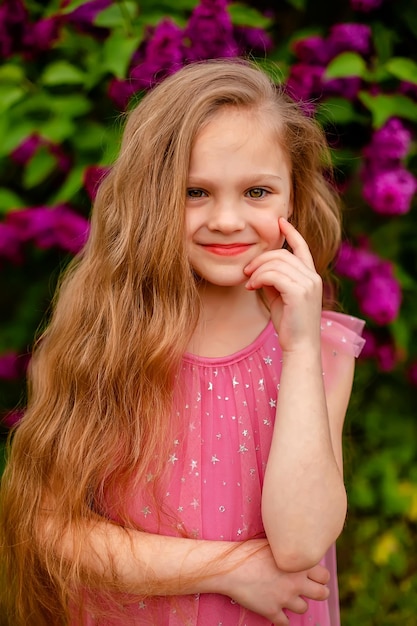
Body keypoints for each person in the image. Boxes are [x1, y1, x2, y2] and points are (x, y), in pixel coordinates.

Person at [0, 58, 365, 626]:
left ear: (292, 197)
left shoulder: (321, 352)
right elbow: (51, 531)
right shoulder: (111, 336)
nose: (226, 219)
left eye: (257, 192)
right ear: (152, 197)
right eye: (196, 191)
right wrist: (230, 570)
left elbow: (299, 546)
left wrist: (298, 352)